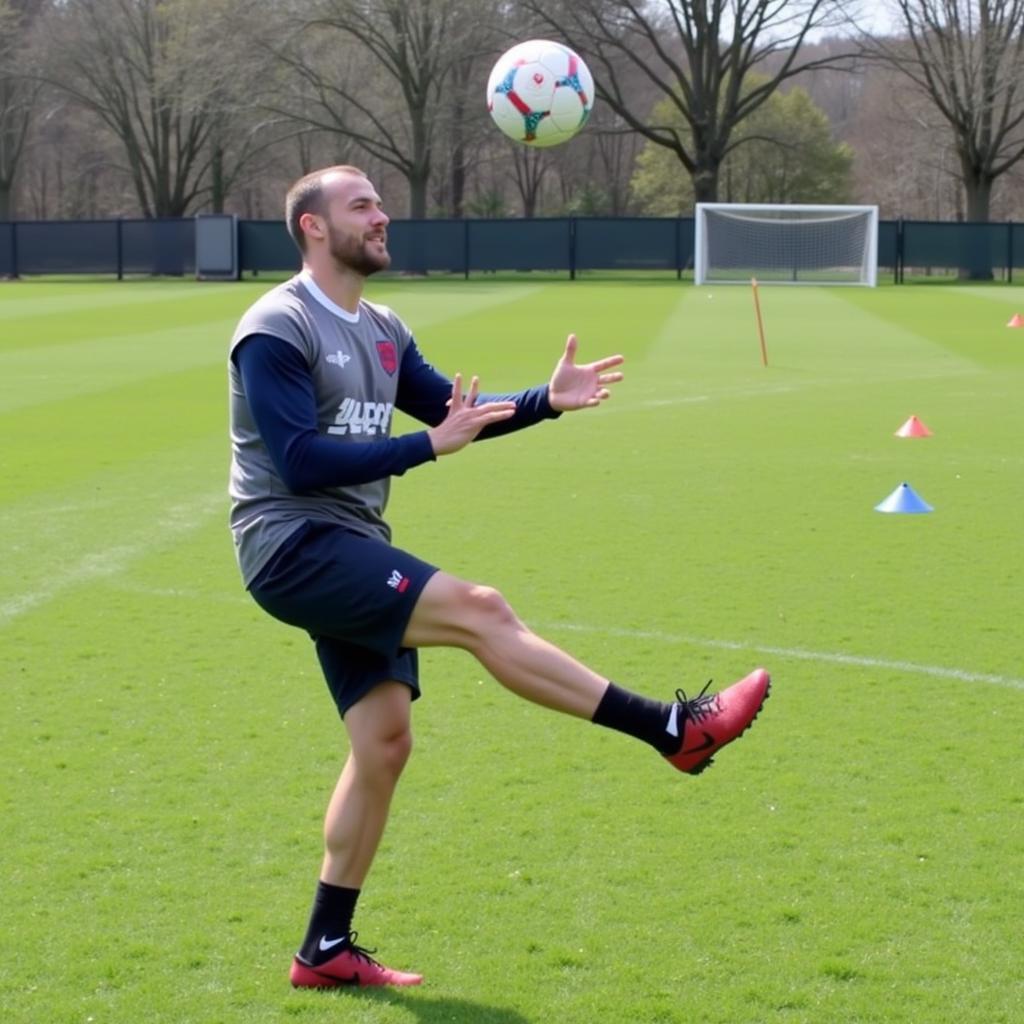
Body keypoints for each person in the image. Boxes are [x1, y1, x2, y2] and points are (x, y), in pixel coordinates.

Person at [228, 164, 770, 989]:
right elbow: (299, 461)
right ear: (312, 227)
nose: (383, 216)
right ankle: (674, 730)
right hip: (291, 542)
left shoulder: (381, 325)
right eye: (362, 205)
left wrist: (547, 401)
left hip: (349, 539)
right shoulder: (276, 326)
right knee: (483, 610)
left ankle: (324, 950)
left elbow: (456, 414)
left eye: (379, 202)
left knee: (383, 744)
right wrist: (423, 447)